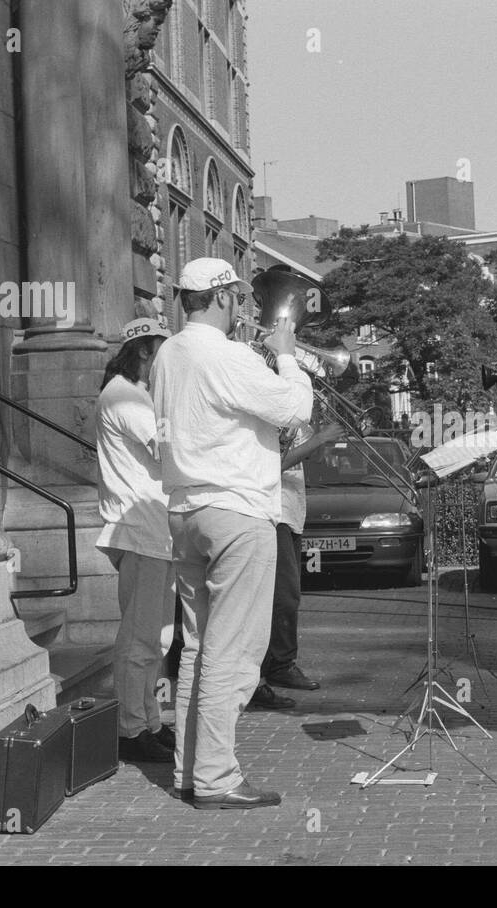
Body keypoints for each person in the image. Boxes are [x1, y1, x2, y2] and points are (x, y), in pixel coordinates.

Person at [150, 257, 312, 810]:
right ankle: (217, 778)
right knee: (233, 653)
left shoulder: (169, 352)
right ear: (220, 297)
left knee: (197, 649)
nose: (243, 309)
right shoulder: (229, 354)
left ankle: (190, 772)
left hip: (184, 511)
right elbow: (295, 407)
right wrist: (286, 358)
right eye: (238, 298)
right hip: (236, 512)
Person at [95, 315, 176, 762]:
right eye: (163, 350)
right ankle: (130, 730)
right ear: (145, 350)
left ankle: (148, 720)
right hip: (140, 528)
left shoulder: (137, 394)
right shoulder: (126, 397)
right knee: (140, 635)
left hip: (153, 529)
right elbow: (166, 449)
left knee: (157, 637)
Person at [254, 418, 346, 704]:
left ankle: (278, 664)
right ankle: (275, 666)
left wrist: (318, 431)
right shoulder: (270, 417)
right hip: (273, 511)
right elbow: (272, 465)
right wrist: (318, 439)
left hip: (292, 513)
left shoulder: (294, 416)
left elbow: (313, 456)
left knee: (288, 596)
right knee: (284, 596)